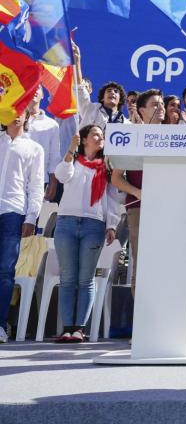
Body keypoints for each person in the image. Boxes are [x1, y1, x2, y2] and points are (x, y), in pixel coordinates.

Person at [53, 125, 120, 342]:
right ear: (84, 140)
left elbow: (112, 198)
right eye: (95, 135)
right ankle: (67, 328)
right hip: (66, 222)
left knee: (85, 278)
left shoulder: (107, 167)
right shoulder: (73, 161)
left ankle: (79, 328)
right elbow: (62, 176)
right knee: (68, 277)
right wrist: (71, 149)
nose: (100, 138)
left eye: (102, 135)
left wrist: (111, 224)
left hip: (94, 225)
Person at [110, 89, 165, 296]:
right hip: (139, 208)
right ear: (141, 110)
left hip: (168, 208)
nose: (160, 109)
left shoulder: (175, 137)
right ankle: (140, 323)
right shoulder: (132, 137)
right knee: (142, 265)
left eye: (162, 105)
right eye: (155, 105)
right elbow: (116, 178)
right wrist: (139, 192)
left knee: (164, 265)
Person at [0, 111, 44, 344]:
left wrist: (31, 217)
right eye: (12, 109)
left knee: (5, 271)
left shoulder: (34, 148)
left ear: (27, 116)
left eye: (21, 111)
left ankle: (0, 324)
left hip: (13, 212)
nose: (16, 115)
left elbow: (36, 186)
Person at [72, 44, 128, 129]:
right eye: (109, 91)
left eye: (116, 92)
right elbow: (79, 87)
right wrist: (77, 60)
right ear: (102, 98)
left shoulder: (127, 124)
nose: (112, 92)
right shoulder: (91, 109)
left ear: (120, 100)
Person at [26, 87, 61, 203]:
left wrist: (53, 183)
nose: (35, 90)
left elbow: (54, 157)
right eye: (31, 86)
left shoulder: (52, 125)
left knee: (31, 220)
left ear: (43, 95)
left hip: (39, 181)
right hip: (11, 179)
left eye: (38, 88)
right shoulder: (11, 121)